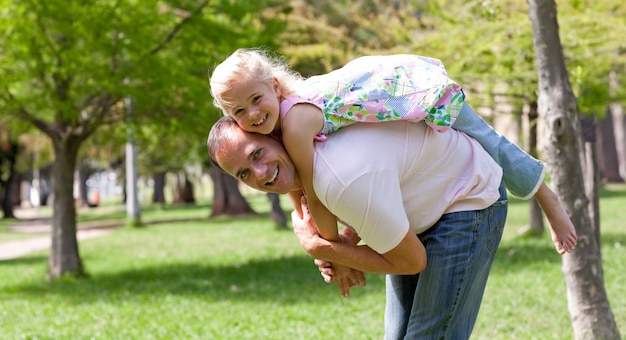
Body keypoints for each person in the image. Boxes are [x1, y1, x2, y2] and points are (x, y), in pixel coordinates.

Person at [209, 48, 577, 256]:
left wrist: (333, 251)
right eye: (239, 112)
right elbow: (301, 193)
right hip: (393, 94)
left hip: (412, 87)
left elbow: (313, 192)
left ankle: (547, 199)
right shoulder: (277, 122)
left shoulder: (294, 125)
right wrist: (313, 226)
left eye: (256, 100)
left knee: (487, 139)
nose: (252, 115)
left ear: (274, 86)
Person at [208, 117, 510, 338]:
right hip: (421, 210)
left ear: (275, 136)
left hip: (468, 198)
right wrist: (344, 242)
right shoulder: (308, 173)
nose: (260, 174)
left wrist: (323, 248)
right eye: (244, 173)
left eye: (257, 154)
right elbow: (373, 200)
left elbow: (410, 261)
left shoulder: (336, 178)